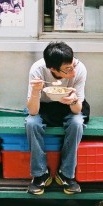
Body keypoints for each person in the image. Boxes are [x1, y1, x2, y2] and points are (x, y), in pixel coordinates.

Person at [25, 41, 89, 195]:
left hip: (70, 106)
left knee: (77, 123)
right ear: (52, 69)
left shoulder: (79, 69)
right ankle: (40, 174)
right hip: (43, 105)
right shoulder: (38, 70)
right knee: (31, 123)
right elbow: (33, 112)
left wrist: (73, 100)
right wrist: (35, 92)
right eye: (67, 69)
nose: (72, 71)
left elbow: (77, 110)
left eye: (72, 65)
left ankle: (66, 174)